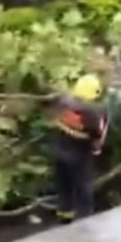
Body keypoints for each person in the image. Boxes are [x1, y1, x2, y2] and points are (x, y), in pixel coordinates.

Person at [48, 74, 108, 224]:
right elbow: (98, 136)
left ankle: (64, 217)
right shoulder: (95, 111)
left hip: (60, 151)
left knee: (64, 186)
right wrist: (96, 150)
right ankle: (85, 222)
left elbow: (53, 116)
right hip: (79, 156)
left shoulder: (63, 102)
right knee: (83, 189)